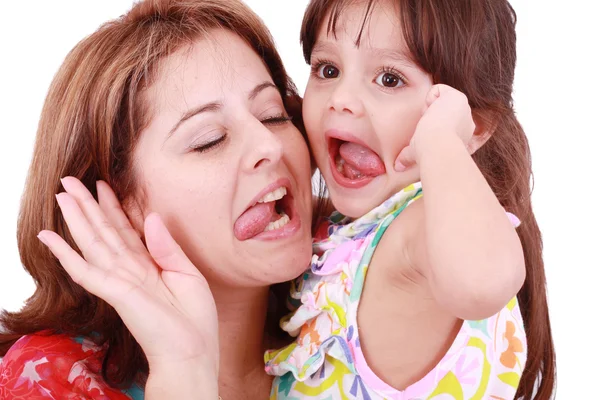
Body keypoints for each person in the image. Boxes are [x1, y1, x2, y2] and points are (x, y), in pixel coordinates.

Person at [0, 0, 317, 398]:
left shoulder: (358, 305)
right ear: (115, 204)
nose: (269, 143)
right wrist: (184, 372)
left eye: (273, 114)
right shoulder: (45, 381)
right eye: (209, 140)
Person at [265, 0, 555, 399]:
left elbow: (485, 282)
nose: (342, 98)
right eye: (328, 70)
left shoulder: (416, 229)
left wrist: (439, 138)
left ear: (474, 128)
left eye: (389, 79)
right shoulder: (339, 232)